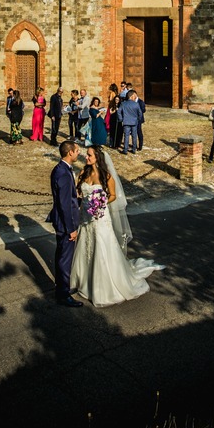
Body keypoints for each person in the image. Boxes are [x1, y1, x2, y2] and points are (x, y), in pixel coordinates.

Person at [70, 145, 163, 307]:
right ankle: (84, 280)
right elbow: (79, 193)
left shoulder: (106, 176)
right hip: (85, 217)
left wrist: (102, 202)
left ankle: (102, 287)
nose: (87, 157)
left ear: (97, 158)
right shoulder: (83, 173)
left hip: (100, 218)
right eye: (87, 155)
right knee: (86, 246)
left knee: (101, 247)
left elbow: (113, 195)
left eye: (90, 155)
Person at [46, 140, 83, 307]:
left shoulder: (61, 169)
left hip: (62, 221)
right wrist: (71, 229)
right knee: (65, 259)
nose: (79, 153)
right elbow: (65, 204)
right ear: (70, 152)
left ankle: (61, 287)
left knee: (62, 255)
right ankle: (63, 293)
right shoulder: (63, 173)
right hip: (65, 223)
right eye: (77, 151)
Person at [117, 90, 142, 154]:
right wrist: (138, 119)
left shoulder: (123, 104)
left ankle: (125, 150)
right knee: (134, 136)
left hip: (126, 122)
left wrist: (121, 119)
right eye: (134, 96)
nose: (135, 97)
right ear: (131, 96)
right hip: (134, 122)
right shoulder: (136, 104)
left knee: (126, 136)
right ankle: (134, 149)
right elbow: (140, 113)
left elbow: (118, 111)